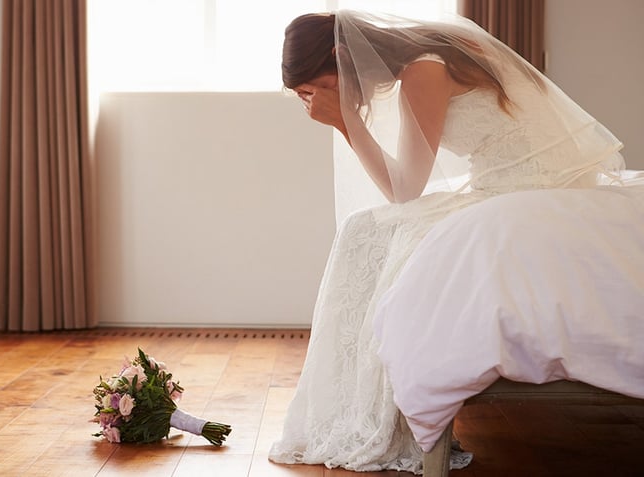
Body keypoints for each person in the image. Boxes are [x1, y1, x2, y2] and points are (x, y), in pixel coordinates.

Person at [268, 9, 627, 474]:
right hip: (515, 186)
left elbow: (404, 189)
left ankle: (378, 411)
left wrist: (344, 122)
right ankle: (372, 401)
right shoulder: (433, 50)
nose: (322, 101)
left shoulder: (424, 69)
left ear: (342, 57)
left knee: (368, 230)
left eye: (320, 89)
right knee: (369, 227)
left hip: (522, 193)